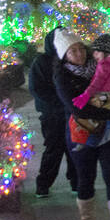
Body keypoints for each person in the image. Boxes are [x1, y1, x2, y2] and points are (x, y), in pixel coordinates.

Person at [52, 31, 110, 220]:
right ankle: (87, 219)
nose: (79, 53)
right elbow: (76, 108)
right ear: (64, 55)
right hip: (81, 133)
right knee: (85, 176)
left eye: (81, 48)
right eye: (73, 51)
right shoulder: (62, 76)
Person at [28, 27, 77, 198]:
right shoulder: (42, 62)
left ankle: (76, 183)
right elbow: (36, 88)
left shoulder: (71, 60)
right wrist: (58, 102)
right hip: (52, 115)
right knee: (54, 149)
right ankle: (43, 184)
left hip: (71, 113)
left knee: (74, 148)